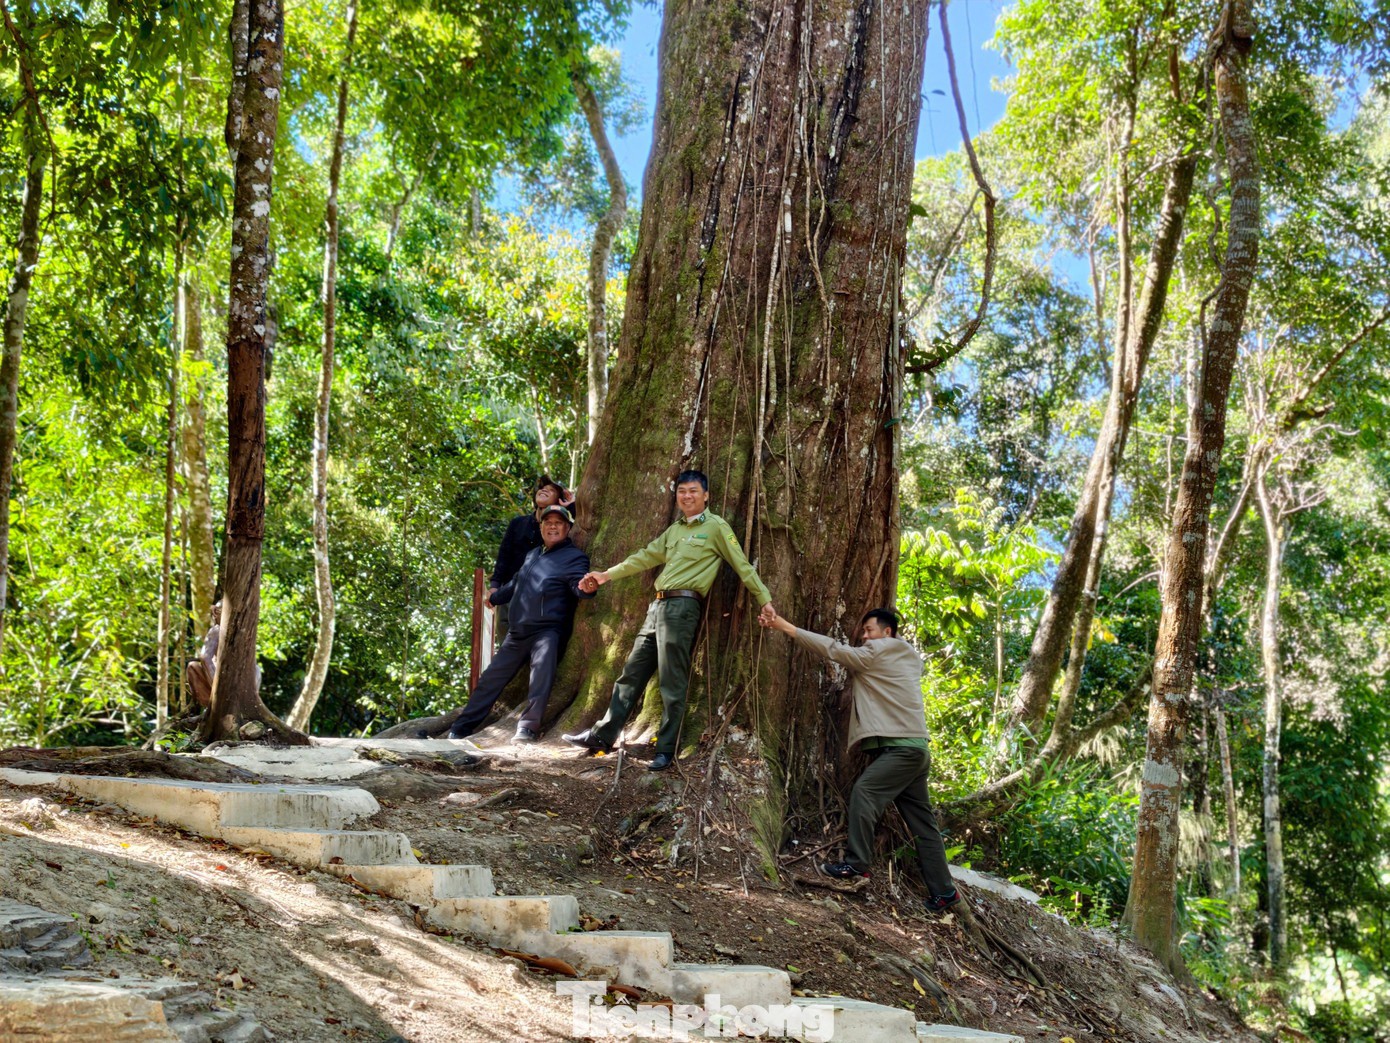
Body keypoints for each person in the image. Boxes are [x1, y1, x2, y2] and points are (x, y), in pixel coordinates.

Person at [563, 469, 776, 772]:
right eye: (681, 492)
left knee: (671, 681)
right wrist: (606, 575)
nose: (686, 496)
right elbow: (645, 557)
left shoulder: (716, 527)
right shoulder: (675, 530)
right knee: (631, 673)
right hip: (657, 607)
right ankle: (602, 735)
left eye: (693, 491)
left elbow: (742, 565)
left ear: (706, 496)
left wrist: (764, 600)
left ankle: (665, 749)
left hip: (683, 606)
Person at [759, 605, 960, 912]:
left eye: (869, 631)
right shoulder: (906, 658)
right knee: (924, 825)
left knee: (864, 792)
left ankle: (856, 864)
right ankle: (945, 892)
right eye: (864, 632)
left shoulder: (879, 651)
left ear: (887, 633)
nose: (864, 636)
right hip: (916, 750)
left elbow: (833, 650)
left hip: (900, 751)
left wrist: (786, 626)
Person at [448, 505, 594, 742]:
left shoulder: (574, 557)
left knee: (540, 679)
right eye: (548, 522)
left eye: (559, 523)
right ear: (541, 527)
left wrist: (586, 589)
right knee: (490, 680)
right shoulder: (533, 554)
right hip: (517, 633)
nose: (553, 526)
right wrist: (494, 597)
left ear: (568, 528)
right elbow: (516, 582)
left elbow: (578, 585)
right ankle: (462, 727)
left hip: (546, 631)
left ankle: (527, 728)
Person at [491, 476, 574, 640]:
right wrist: (495, 585)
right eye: (543, 488)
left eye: (550, 490)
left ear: (557, 501)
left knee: (529, 638)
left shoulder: (558, 529)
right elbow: (504, 554)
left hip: (537, 595)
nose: (544, 490)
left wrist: (571, 505)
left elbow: (577, 525)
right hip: (508, 590)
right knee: (504, 633)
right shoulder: (518, 523)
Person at [185, 601, 222, 709]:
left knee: (193, 666)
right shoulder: (218, 630)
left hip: (227, 686)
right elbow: (205, 658)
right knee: (193, 666)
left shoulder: (220, 630)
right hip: (221, 684)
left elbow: (205, 657)